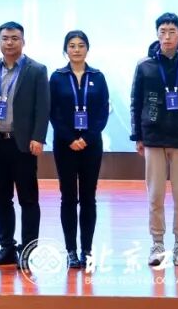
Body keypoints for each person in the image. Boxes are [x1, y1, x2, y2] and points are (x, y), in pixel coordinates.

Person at [130, 12, 178, 267]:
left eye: (171, 32)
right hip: (153, 138)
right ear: (157, 34)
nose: (166, 36)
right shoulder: (145, 65)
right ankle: (157, 245)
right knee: (155, 196)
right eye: (162, 32)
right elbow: (136, 102)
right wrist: (137, 135)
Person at [0, 21, 50, 266]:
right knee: (1, 199)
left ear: (23, 41)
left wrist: (38, 137)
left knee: (28, 199)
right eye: (5, 38)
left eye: (14, 38)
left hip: (23, 144)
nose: (9, 43)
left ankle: (28, 251)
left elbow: (43, 107)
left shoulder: (36, 70)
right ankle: (6, 248)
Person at [49, 30, 109, 269]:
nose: (76, 49)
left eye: (81, 45)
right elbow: (53, 112)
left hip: (91, 145)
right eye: (72, 45)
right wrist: (70, 138)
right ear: (66, 50)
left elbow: (103, 111)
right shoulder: (57, 77)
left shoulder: (98, 76)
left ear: (87, 49)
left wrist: (87, 137)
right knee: (68, 197)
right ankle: (71, 251)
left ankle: (87, 250)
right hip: (65, 145)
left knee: (88, 198)